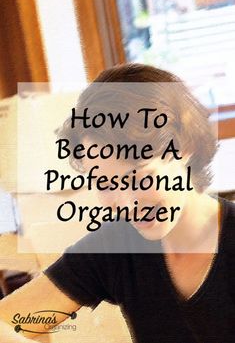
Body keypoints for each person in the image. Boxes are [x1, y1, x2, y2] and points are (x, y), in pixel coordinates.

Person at [0, 63, 235, 343]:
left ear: (185, 149)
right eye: (104, 184)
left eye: (138, 176)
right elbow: (9, 323)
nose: (126, 203)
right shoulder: (116, 245)